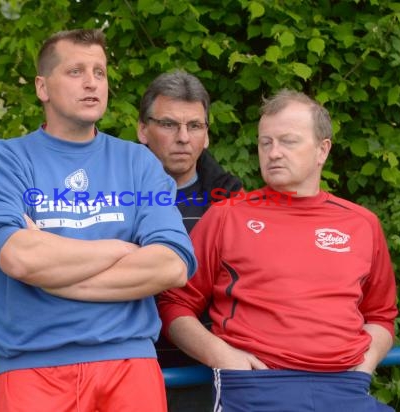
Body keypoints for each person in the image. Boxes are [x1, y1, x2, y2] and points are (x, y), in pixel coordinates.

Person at [0, 29, 197, 412]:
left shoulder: (138, 163)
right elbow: (20, 259)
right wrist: (122, 249)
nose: (92, 83)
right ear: (42, 87)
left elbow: (171, 266)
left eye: (100, 72)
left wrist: (51, 270)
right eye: (75, 72)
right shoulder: (3, 161)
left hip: (130, 365)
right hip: (32, 368)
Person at [158, 89, 398, 412]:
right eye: (265, 142)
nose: (273, 153)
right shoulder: (227, 216)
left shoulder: (362, 223)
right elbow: (173, 304)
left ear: (322, 150)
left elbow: (381, 315)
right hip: (256, 386)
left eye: (288, 141)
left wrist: (366, 364)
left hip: (346, 387)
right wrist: (224, 358)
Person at [138, 70, 243, 411]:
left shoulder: (231, 202)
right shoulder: (112, 197)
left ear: (207, 135)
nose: (183, 137)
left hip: (208, 373)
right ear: (143, 130)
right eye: (168, 124)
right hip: (131, 367)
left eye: (194, 126)